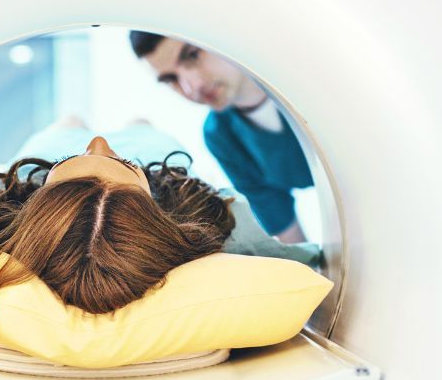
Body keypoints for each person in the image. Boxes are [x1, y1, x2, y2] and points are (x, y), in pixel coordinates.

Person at [0, 121, 320, 364]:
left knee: (66, 127)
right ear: (157, 216)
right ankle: (129, 147)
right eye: (109, 161)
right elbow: (301, 262)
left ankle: (65, 149)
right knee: (143, 126)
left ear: (33, 205)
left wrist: (62, 161)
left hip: (46, 157)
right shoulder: (217, 221)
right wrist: (134, 166)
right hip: (154, 160)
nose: (100, 143)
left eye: (82, 161)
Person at [129, 31, 314, 244]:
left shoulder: (306, 74)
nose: (192, 86)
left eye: (192, 55)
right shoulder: (220, 135)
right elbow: (286, 230)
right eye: (172, 78)